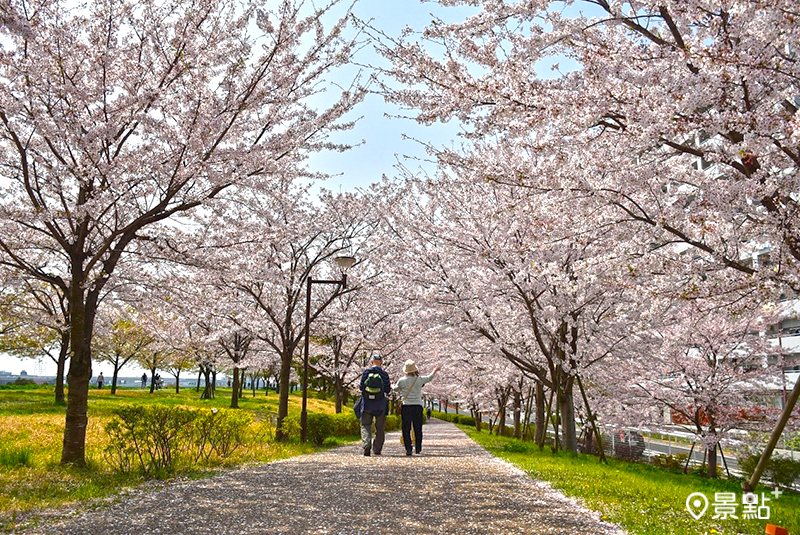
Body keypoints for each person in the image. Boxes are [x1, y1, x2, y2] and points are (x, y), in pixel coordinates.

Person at [394, 360, 440, 456]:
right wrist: (434, 370)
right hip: (417, 406)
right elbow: (429, 378)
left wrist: (391, 385)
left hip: (406, 406)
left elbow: (395, 389)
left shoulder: (401, 380)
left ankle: (408, 449)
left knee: (406, 428)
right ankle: (418, 448)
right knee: (417, 428)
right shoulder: (419, 379)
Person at [359, 354, 391, 457]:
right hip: (380, 405)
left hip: (367, 405)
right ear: (381, 362)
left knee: (365, 425)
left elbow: (361, 387)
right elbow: (387, 389)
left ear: (371, 362)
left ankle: (366, 445)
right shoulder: (384, 374)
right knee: (380, 427)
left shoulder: (366, 372)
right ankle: (377, 449)